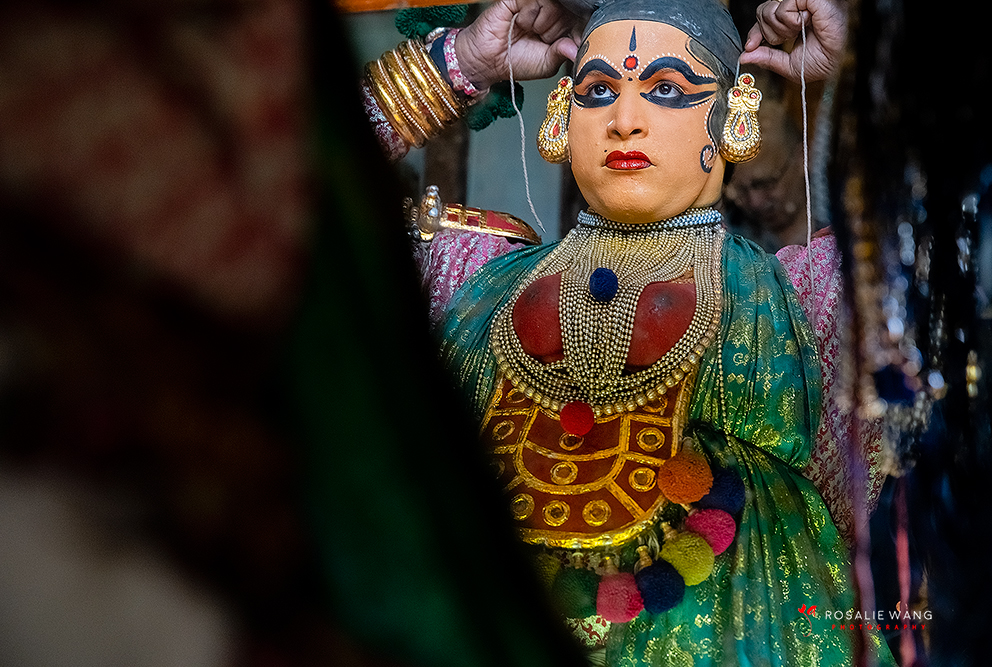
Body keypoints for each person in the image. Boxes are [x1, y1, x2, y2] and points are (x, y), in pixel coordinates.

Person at [359, 0, 892, 664]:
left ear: (732, 113)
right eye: (597, 90)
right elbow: (290, 198)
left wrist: (859, 69)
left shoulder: (806, 300)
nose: (624, 119)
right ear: (563, 116)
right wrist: (459, 63)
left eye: (666, 89)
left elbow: (952, 238)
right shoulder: (467, 276)